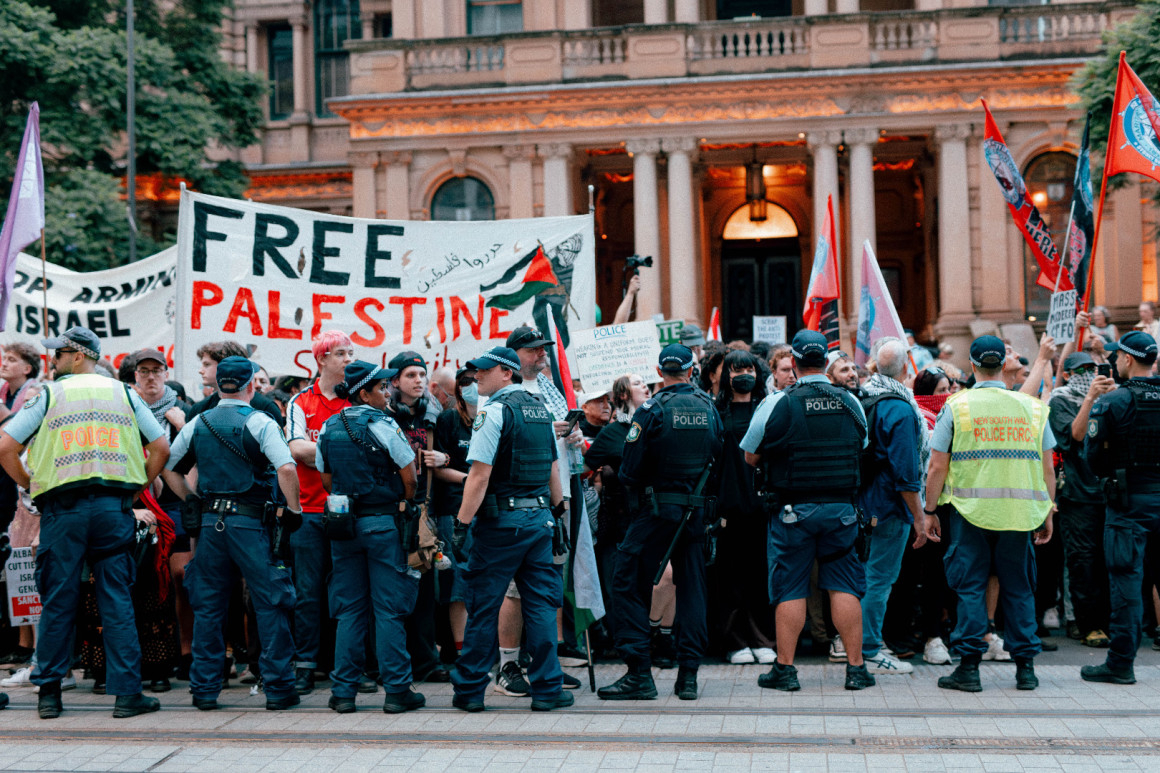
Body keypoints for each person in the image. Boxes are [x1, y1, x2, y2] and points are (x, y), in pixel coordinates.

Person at [0, 326, 170, 719]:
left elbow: (6, 447)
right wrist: (137, 488)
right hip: (113, 510)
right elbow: (161, 447)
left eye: (58, 354)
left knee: (58, 602)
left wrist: (30, 485)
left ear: (78, 356)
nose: (53, 360)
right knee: (117, 600)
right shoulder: (125, 394)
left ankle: (49, 696)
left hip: (63, 512)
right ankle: (127, 696)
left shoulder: (49, 395)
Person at [161, 356, 303, 712]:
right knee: (271, 603)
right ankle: (279, 688)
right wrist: (294, 509)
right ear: (251, 385)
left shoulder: (198, 421)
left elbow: (169, 467)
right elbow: (286, 469)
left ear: (218, 385)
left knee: (208, 607)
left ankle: (205, 690)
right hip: (252, 525)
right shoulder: (260, 421)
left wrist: (191, 500)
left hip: (211, 525)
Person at [741, 330, 874, 693]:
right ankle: (856, 669)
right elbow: (861, 446)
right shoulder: (851, 401)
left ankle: (785, 670)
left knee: (790, 588)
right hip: (841, 510)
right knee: (844, 586)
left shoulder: (777, 403)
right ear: (826, 362)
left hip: (792, 512)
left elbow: (750, 455)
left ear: (794, 362)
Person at [922, 335, 1055, 692]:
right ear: (1002, 366)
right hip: (1019, 515)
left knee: (970, 588)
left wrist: (929, 510)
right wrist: (1047, 511)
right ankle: (1025, 669)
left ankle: (968, 669)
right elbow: (1047, 469)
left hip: (970, 513)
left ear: (973, 365)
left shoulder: (957, 406)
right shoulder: (1031, 408)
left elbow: (937, 466)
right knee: (1019, 589)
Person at [449, 346, 571, 713]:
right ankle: (548, 689)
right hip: (539, 522)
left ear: (507, 373)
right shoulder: (540, 410)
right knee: (541, 607)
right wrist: (558, 512)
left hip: (502, 524)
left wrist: (461, 524)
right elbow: (552, 468)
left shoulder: (494, 410)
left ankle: (470, 691)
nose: (476, 377)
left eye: (484, 371)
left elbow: (479, 475)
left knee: (483, 606)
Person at [598, 344, 723, 702]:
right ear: (691, 370)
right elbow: (719, 459)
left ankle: (639, 673)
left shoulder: (652, 409)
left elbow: (629, 471)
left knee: (626, 582)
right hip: (695, 514)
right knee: (692, 589)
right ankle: (688, 677)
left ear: (659, 371)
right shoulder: (709, 407)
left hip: (654, 512)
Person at [316, 360, 423, 713]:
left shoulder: (329, 426)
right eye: (381, 388)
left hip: (343, 527)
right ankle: (397, 692)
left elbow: (326, 480)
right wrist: (401, 501)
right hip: (381, 524)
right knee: (389, 610)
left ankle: (343, 693)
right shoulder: (384, 425)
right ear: (364, 393)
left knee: (349, 611)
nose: (388, 392)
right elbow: (410, 478)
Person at [1081, 331, 1160, 685]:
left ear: (1127, 359)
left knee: (1127, 584)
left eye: (1117, 357)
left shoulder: (1113, 402)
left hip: (1128, 504)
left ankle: (1120, 664)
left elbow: (1092, 458)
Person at [284, 331, 354, 695]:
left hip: (351, 509)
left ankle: (348, 666)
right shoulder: (300, 400)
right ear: (322, 359)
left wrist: (321, 453)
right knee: (307, 592)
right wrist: (343, 452)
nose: (348, 359)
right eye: (340, 353)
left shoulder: (357, 398)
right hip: (310, 510)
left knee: (348, 591)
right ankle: (305, 665)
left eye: (351, 352)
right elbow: (296, 449)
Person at [857, 338, 928, 676]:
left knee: (866, 577)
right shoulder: (900, 408)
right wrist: (919, 517)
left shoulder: (863, 396)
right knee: (879, 579)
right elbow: (906, 473)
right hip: (889, 506)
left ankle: (859, 644)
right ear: (906, 367)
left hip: (863, 501)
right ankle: (869, 649)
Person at [130, 348, 194, 680]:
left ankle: (186, 651)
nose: (151, 376)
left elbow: (198, 457)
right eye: (144, 371)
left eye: (157, 370)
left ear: (166, 374)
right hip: (138, 504)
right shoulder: (126, 409)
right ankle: (152, 656)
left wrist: (182, 425)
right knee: (146, 582)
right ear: (135, 376)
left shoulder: (183, 410)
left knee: (181, 577)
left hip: (175, 504)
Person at [388, 350, 450, 685]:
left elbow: (448, 460)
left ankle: (426, 662)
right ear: (395, 381)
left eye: (422, 375)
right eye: (411, 375)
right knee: (391, 591)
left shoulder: (431, 416)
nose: (419, 381)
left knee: (425, 591)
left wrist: (443, 458)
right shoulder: (384, 415)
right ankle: (391, 662)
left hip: (422, 511)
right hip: (390, 509)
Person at [711, 350, 775, 666]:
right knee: (730, 577)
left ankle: (763, 639)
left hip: (762, 505)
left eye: (748, 368)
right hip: (729, 506)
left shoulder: (768, 407)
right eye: (736, 370)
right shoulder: (716, 410)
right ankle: (734, 641)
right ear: (727, 376)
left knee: (760, 574)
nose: (743, 375)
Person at [1049, 352, 1113, 649]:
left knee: (1107, 559)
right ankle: (1088, 625)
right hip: (1077, 493)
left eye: (1092, 368)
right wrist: (1090, 399)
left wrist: (1111, 398)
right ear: (1067, 375)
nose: (1087, 374)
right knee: (1082, 560)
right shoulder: (1060, 400)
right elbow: (1075, 435)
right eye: (1080, 370)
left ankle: (1109, 622)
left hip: (1108, 491)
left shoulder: (1111, 398)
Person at [431, 367, 480, 660]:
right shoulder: (449, 419)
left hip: (488, 510)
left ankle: (486, 648)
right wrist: (471, 480)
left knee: (484, 580)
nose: (472, 385)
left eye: (477, 379)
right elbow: (437, 469)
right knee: (457, 583)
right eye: (466, 381)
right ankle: (463, 653)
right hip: (454, 511)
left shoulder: (493, 417)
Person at [190, 342, 284, 427]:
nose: (200, 371)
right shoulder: (199, 408)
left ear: (227, 365)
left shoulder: (266, 407)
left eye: (207, 364)